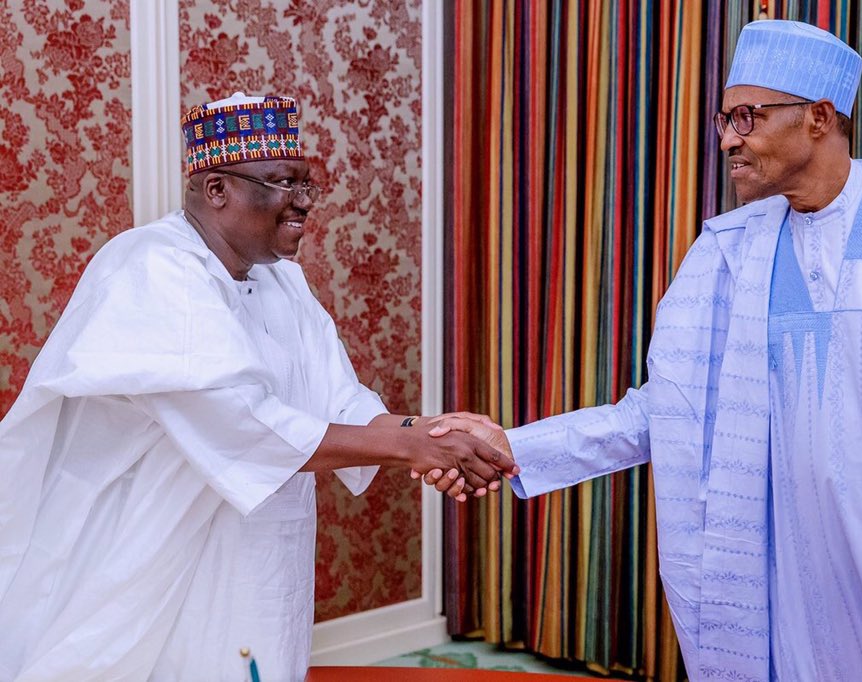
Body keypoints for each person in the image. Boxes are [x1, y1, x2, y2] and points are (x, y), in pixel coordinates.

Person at [430, 20, 862, 682]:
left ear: (820, 118)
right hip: (801, 593)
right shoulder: (729, 254)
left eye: (747, 117)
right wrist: (512, 446)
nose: (727, 139)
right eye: (723, 119)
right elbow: (667, 413)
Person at [0, 92, 516, 681]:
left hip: (260, 546)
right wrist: (411, 448)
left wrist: (424, 431)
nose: (302, 204)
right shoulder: (153, 267)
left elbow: (339, 399)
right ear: (217, 189)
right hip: (151, 547)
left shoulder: (281, 281)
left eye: (305, 184)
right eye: (280, 183)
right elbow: (243, 421)